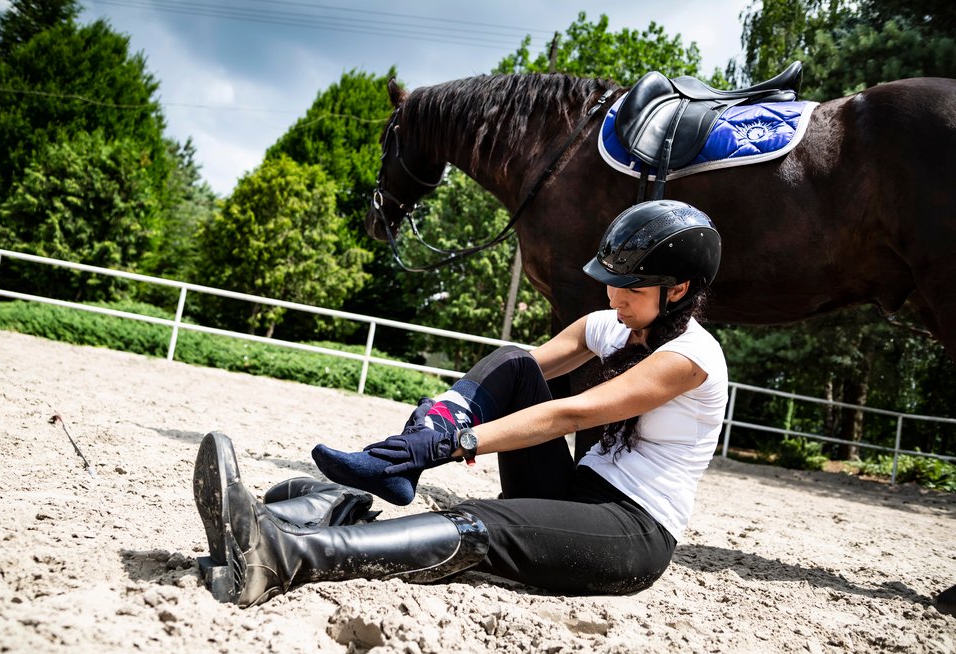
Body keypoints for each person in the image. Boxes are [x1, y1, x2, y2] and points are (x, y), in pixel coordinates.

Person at [193, 199, 727, 608]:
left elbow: (573, 414)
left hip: (630, 530)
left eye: (629, 289)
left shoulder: (692, 358)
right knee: (516, 360)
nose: (613, 297)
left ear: (677, 290)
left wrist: (456, 445)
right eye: (611, 284)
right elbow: (516, 376)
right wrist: (434, 424)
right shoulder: (611, 326)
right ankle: (382, 472)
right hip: (570, 491)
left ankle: (287, 552)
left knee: (480, 522)